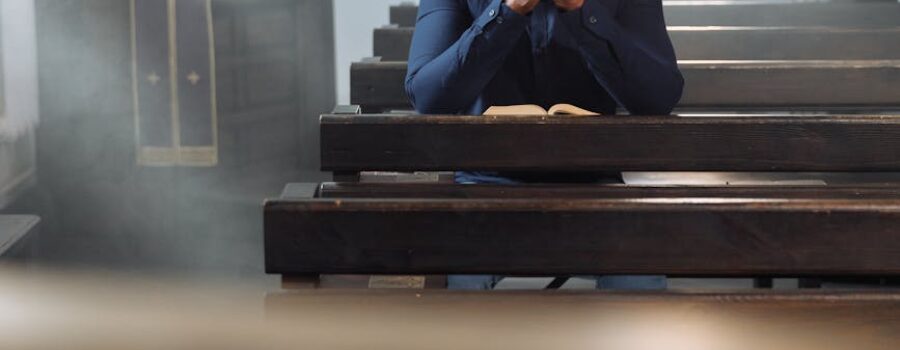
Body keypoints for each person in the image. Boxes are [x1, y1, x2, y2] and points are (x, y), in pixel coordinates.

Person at [405, 0, 684, 290]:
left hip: (595, 186)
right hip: (483, 184)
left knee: (639, 276)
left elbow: (659, 96)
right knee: (448, 280)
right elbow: (427, 96)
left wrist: (584, 14)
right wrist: (506, 12)